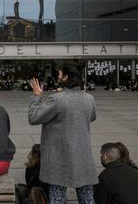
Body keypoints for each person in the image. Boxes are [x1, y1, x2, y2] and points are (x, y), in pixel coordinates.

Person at [29, 60, 98, 204]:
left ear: (66, 77)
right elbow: (91, 117)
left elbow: (34, 117)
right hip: (83, 156)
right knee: (87, 197)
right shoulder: (89, 98)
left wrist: (36, 96)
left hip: (58, 157)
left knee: (57, 196)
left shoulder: (57, 99)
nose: (58, 76)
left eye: (60, 74)